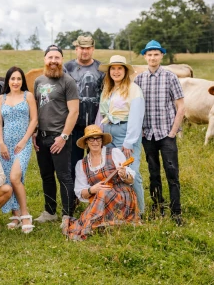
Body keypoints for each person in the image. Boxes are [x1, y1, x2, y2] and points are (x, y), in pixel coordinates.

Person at [134, 40, 185, 226]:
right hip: (148, 135)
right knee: (153, 173)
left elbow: (181, 106)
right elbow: (136, 107)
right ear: (145, 56)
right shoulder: (139, 80)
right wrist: (139, 130)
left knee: (172, 173)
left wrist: (173, 131)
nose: (153, 57)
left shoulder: (170, 77)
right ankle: (157, 209)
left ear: (161, 55)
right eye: (149, 54)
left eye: (156, 54)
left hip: (166, 134)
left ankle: (176, 212)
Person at [62, 125, 140, 241]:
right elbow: (81, 192)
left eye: (98, 138)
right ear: (86, 142)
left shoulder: (114, 153)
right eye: (91, 139)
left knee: (102, 193)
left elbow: (131, 179)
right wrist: (92, 190)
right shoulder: (81, 164)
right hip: (100, 199)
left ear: (102, 141)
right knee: (101, 193)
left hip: (122, 195)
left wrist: (124, 175)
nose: (95, 142)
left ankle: (84, 226)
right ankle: (94, 224)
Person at [33, 45, 79, 225]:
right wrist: (35, 132)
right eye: (50, 57)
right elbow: (37, 109)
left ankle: (67, 214)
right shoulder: (38, 81)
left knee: (64, 176)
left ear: (61, 60)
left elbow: (74, 111)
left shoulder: (68, 82)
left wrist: (64, 137)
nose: (53, 61)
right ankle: (49, 211)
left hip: (59, 136)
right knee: (46, 175)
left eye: (57, 58)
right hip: (42, 136)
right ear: (45, 60)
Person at [96, 55, 145, 215]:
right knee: (113, 171)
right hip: (108, 131)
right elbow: (101, 113)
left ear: (125, 71)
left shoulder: (134, 90)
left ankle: (139, 211)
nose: (116, 72)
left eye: (119, 68)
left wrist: (129, 142)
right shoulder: (108, 89)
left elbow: (136, 118)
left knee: (131, 172)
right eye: (113, 68)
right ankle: (120, 208)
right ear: (109, 71)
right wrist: (98, 133)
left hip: (126, 133)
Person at [0, 66, 38, 233]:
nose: (15, 82)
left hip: (23, 143)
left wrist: (24, 140)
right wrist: (1, 143)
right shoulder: (1, 99)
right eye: (12, 79)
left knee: (15, 177)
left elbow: (34, 120)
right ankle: (15, 214)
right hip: (6, 144)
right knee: (8, 178)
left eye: (18, 79)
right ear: (8, 81)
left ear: (22, 81)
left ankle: (25, 214)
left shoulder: (28, 96)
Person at [64, 36, 104, 183]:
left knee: (97, 163)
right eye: (82, 48)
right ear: (76, 49)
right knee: (74, 164)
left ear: (93, 49)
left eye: (88, 48)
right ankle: (75, 198)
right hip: (74, 126)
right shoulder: (67, 69)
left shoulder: (101, 69)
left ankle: (97, 197)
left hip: (96, 126)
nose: (85, 51)